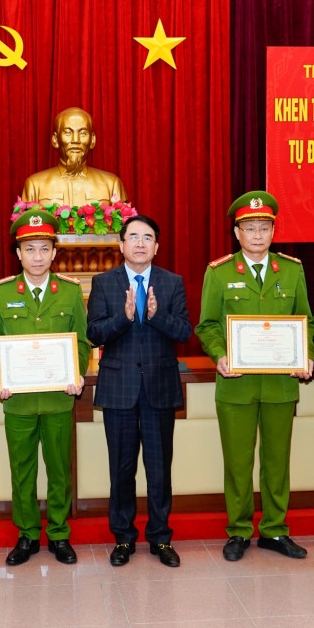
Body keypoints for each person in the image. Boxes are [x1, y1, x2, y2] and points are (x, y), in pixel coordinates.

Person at [194, 191, 314, 562]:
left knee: (277, 462)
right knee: (238, 462)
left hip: (280, 383)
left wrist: (305, 355)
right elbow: (207, 325)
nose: (257, 235)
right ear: (237, 233)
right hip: (237, 384)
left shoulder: (291, 270)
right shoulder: (219, 272)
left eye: (264, 228)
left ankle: (275, 530)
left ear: (273, 231)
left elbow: (305, 321)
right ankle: (239, 530)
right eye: (250, 228)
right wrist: (220, 354)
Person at [0, 210, 92, 566]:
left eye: (44, 249)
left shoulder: (70, 292)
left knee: (60, 470)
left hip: (59, 398)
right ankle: (28, 534)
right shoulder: (1, 292)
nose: (37, 256)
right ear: (18, 253)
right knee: (22, 471)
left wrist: (77, 373)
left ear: (54, 253)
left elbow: (82, 342)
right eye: (29, 249)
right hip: (18, 401)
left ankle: (59, 533)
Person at [86, 215, 192, 568]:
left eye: (148, 237)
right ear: (121, 245)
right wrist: (125, 316)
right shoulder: (104, 282)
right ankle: (123, 538)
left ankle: (161, 538)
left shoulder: (172, 282)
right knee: (122, 468)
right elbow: (94, 334)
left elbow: (184, 332)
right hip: (119, 389)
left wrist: (156, 315)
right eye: (133, 237)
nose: (140, 243)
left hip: (159, 387)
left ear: (157, 247)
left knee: (159, 469)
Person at [20, 107, 127, 208]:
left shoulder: (111, 184)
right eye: (67, 133)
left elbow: (123, 220)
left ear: (92, 140)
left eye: (83, 133)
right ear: (55, 140)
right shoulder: (35, 185)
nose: (75, 140)